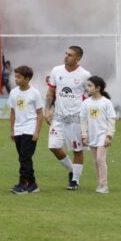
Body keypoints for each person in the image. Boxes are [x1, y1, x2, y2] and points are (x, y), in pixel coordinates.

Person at [45, 46, 91, 190]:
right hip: (58, 117)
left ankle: (75, 181)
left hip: (76, 118)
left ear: (78, 58)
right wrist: (47, 110)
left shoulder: (85, 75)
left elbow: (89, 96)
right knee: (53, 146)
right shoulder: (56, 71)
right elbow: (51, 92)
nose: (66, 56)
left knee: (77, 150)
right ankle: (72, 170)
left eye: (70, 55)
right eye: (65, 53)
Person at [8, 65, 43, 194]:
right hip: (18, 130)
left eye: (19, 77)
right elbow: (12, 112)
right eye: (15, 76)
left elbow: (40, 113)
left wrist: (37, 131)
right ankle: (33, 184)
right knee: (23, 157)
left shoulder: (35, 93)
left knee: (25, 157)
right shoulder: (13, 92)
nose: (15, 79)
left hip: (29, 129)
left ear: (27, 79)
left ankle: (23, 184)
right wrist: (12, 130)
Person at [80, 75, 117, 194]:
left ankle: (104, 185)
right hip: (92, 135)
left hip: (103, 135)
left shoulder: (106, 103)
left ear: (98, 88)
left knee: (101, 159)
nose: (87, 88)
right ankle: (99, 183)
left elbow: (111, 119)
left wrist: (109, 135)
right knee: (96, 161)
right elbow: (83, 120)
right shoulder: (86, 103)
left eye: (90, 86)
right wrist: (84, 135)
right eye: (87, 85)